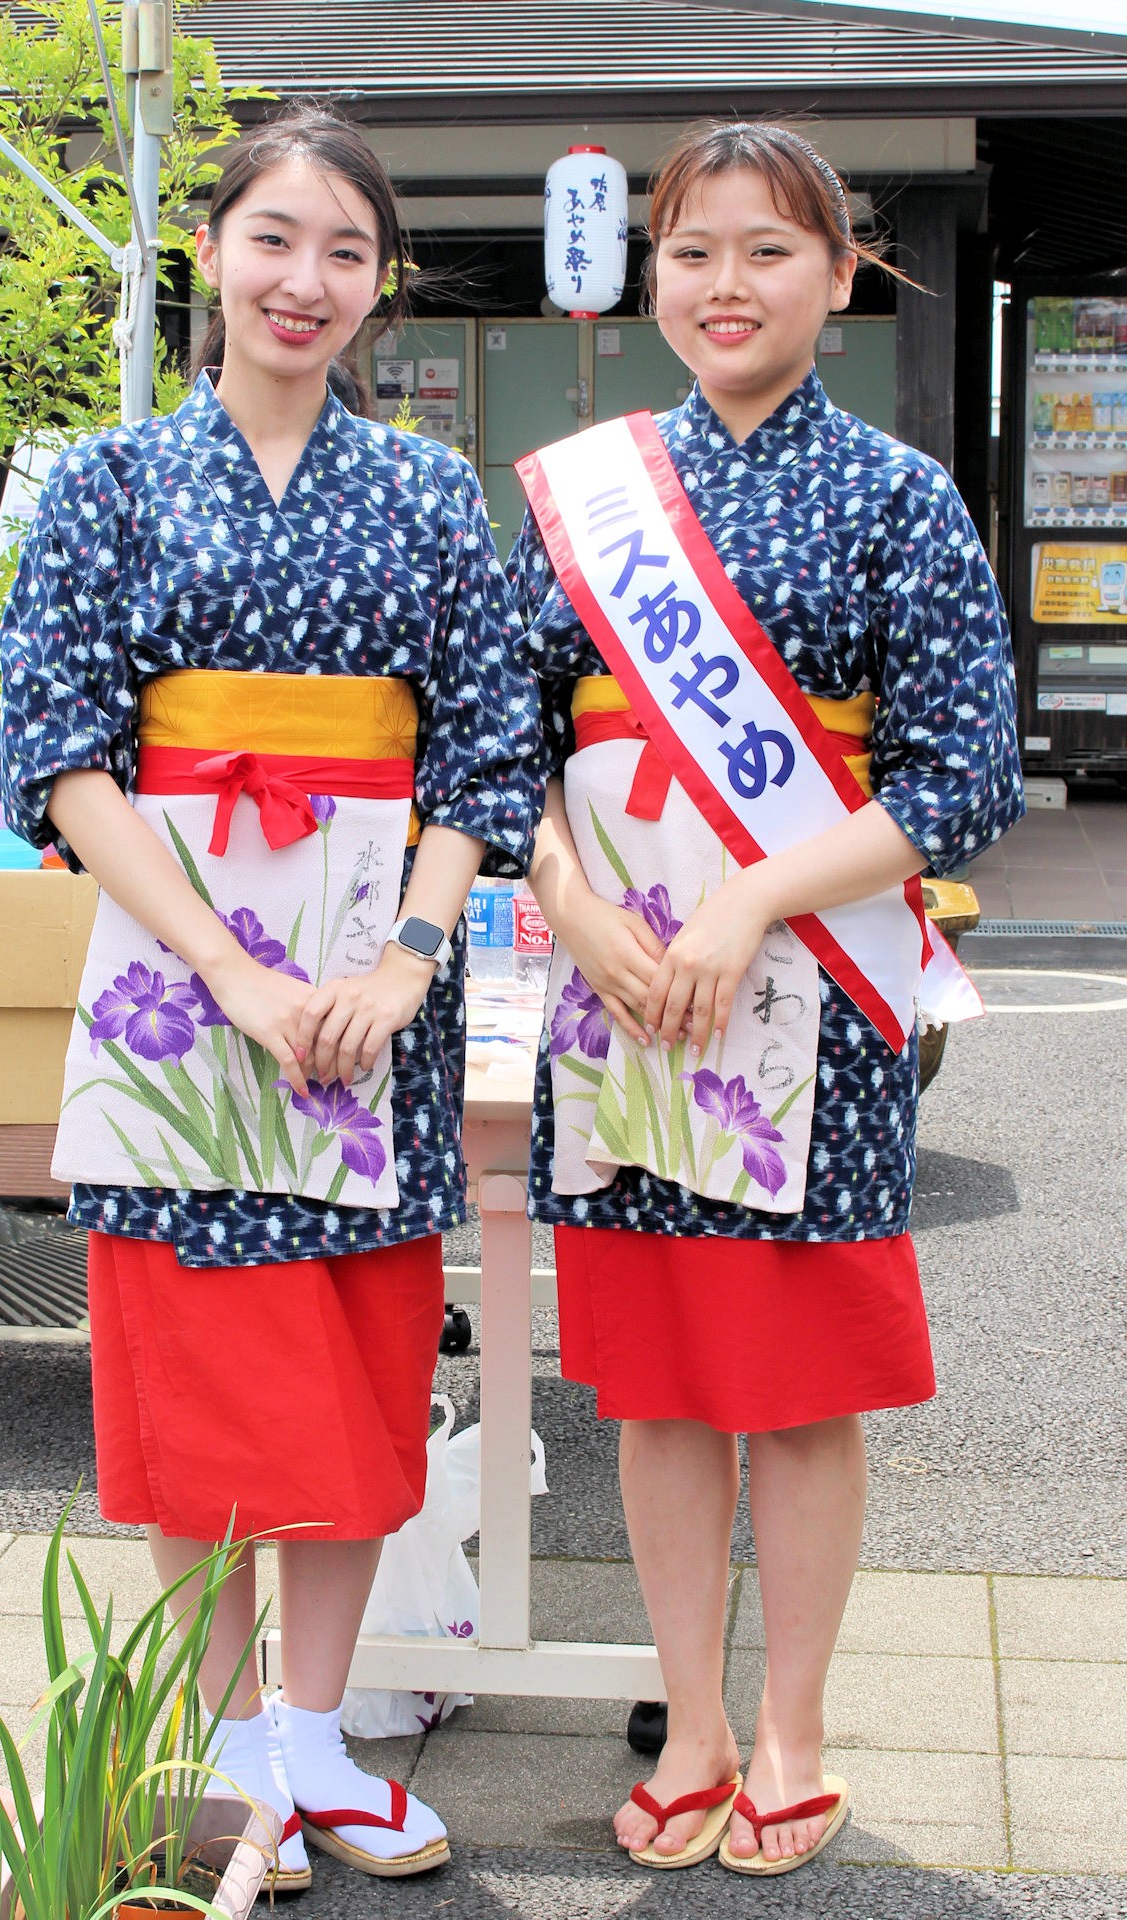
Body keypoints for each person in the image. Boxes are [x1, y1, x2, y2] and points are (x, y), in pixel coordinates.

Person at [0, 105, 541, 1890]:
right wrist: (224, 961)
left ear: (380, 287)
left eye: (347, 253)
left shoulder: (425, 493)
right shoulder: (105, 484)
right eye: (275, 239)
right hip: (177, 983)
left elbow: (480, 751)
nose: (305, 282)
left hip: (367, 1010)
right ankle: (234, 1756)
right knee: (195, 1378)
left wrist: (404, 963)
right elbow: (67, 764)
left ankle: (322, 1744)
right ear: (211, 252)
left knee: (357, 1371)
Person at [509, 121, 1023, 1877]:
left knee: (798, 1386)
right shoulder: (585, 484)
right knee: (652, 1382)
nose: (726, 286)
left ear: (841, 274)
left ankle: (795, 1726)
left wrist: (751, 898)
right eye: (693, 252)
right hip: (623, 995)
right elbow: (503, 749)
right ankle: (696, 1719)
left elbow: (964, 779)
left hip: (814, 987)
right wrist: (576, 909)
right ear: (650, 275)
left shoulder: (898, 495)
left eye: (769, 252)